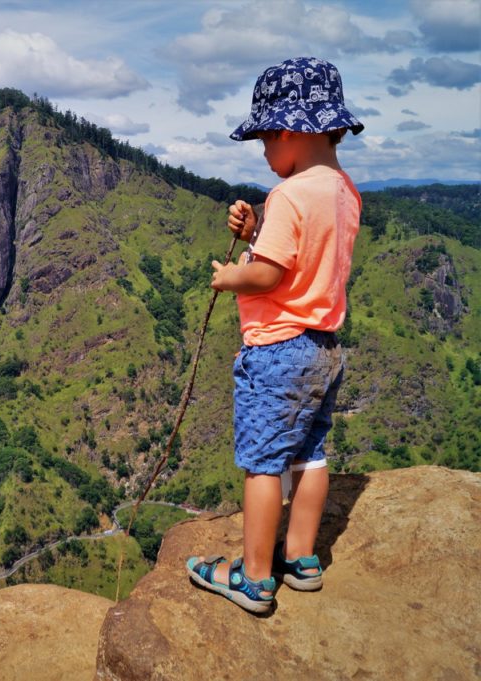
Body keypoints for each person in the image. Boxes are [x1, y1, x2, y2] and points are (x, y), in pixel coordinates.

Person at [185, 57, 365, 614]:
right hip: (324, 347)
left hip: (279, 349)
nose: (263, 150)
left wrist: (230, 274)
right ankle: (302, 559)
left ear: (289, 129)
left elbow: (269, 273)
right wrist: (255, 229)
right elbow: (305, 252)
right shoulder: (342, 191)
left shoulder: (287, 194)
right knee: (309, 454)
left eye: (264, 137)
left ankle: (256, 579)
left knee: (263, 461)